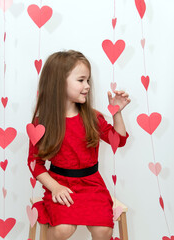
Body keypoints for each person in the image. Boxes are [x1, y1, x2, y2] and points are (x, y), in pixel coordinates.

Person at [27, 50, 130, 240]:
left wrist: (116, 112)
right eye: (81, 80)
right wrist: (55, 187)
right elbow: (35, 163)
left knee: (103, 230)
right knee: (63, 229)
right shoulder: (42, 123)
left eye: (88, 80)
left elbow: (119, 141)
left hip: (92, 185)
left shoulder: (93, 117)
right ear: (59, 83)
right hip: (60, 184)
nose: (88, 86)